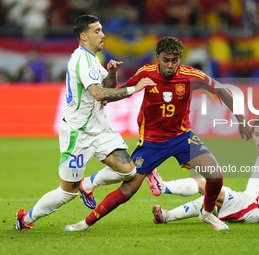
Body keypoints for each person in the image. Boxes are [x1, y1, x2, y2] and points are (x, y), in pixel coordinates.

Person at [64, 36, 252, 232]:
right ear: (157, 57)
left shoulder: (190, 75)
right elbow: (119, 92)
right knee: (128, 190)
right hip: (151, 142)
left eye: (175, 60)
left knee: (215, 175)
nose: (170, 65)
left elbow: (221, 90)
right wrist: (110, 83)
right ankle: (84, 224)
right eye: (166, 60)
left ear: (180, 58)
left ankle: (206, 213)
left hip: (182, 137)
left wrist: (242, 121)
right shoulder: (146, 73)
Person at [15, 14, 156, 230]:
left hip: (99, 129)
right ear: (84, 36)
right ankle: (26, 219)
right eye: (97, 31)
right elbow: (99, 94)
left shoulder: (92, 59)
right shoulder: (81, 59)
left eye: (101, 29)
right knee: (66, 193)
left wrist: (111, 73)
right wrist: (134, 89)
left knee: (128, 171)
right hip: (78, 134)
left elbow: (106, 87)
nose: (103, 34)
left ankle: (88, 184)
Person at [149, 116, 259, 225]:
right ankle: (166, 216)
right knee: (208, 193)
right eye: (257, 134)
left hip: (254, 207)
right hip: (247, 201)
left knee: (210, 187)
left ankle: (162, 187)